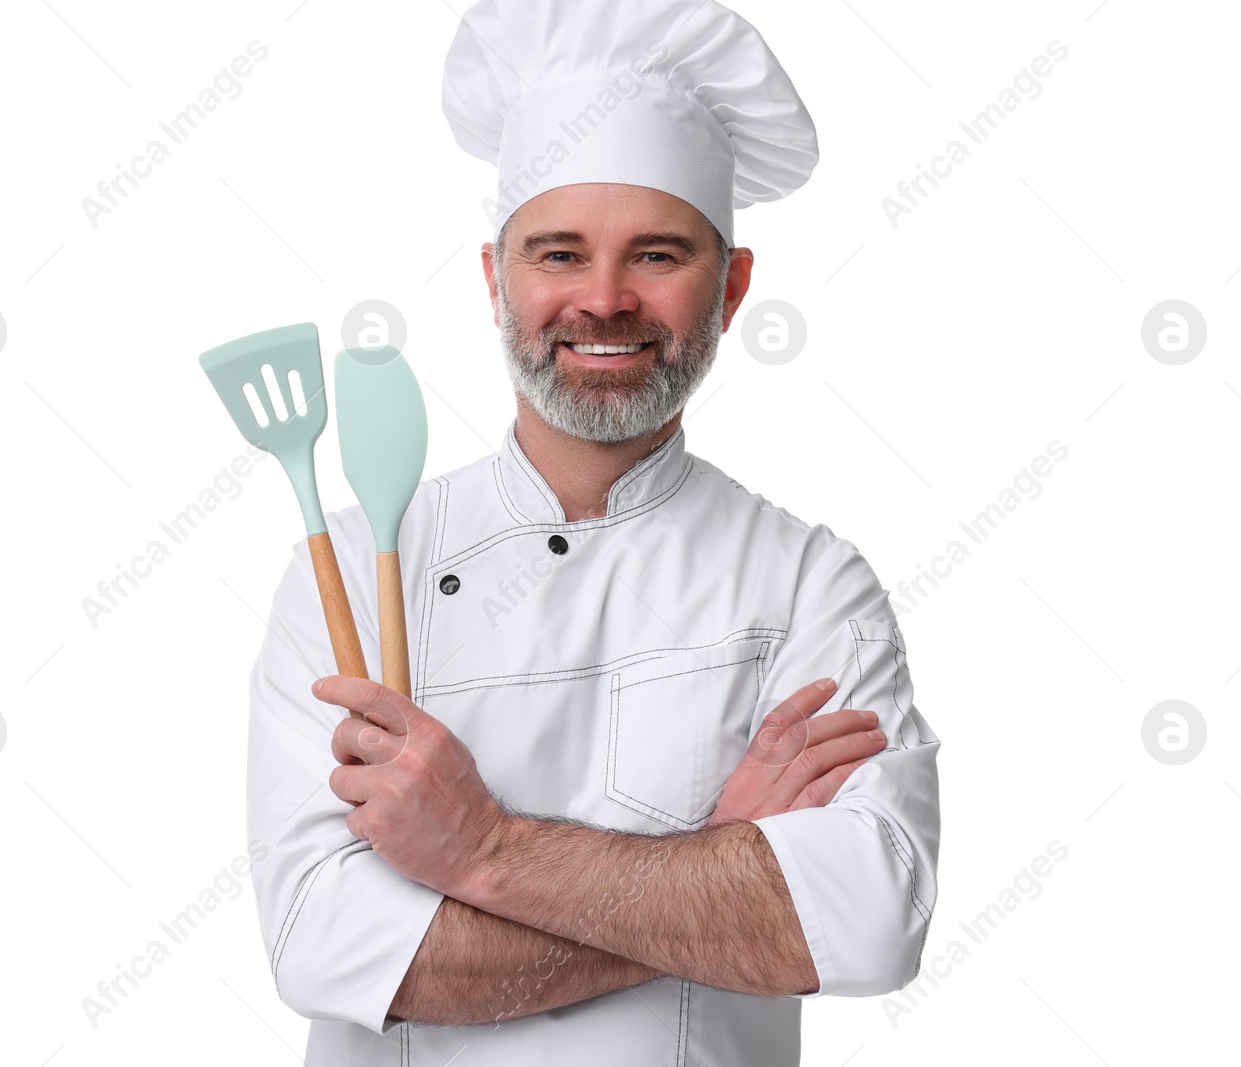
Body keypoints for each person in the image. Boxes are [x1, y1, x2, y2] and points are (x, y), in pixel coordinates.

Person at [244, 1, 941, 1063]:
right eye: (559, 254)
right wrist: (714, 863)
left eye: (656, 254)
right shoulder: (350, 566)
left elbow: (867, 919)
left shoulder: (809, 583)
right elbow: (324, 944)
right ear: (495, 280)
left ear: (733, 284)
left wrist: (480, 850)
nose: (604, 300)